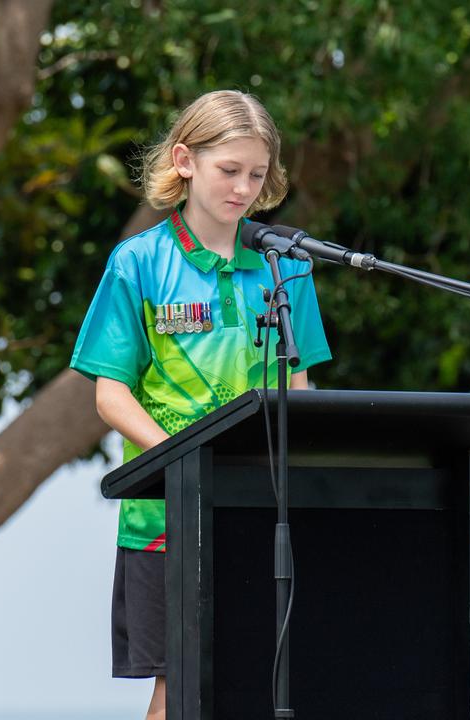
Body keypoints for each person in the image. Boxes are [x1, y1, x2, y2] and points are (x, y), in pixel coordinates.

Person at [70, 90, 331, 719]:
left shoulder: (286, 268)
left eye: (257, 174)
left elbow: (299, 388)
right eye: (228, 170)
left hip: (265, 512)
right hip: (166, 518)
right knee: (179, 689)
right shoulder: (138, 262)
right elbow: (111, 394)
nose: (243, 188)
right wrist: (184, 464)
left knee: (265, 685)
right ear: (185, 160)